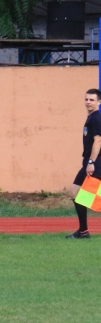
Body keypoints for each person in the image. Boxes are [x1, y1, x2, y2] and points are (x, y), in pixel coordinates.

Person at [66, 90, 101, 239]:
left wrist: (91, 162)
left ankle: (83, 231)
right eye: (86, 99)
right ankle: (83, 231)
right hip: (89, 162)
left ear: (99, 102)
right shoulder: (91, 118)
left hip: (95, 163)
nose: (88, 102)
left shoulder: (96, 118)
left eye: (92, 100)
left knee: (85, 195)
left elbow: (98, 141)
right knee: (76, 193)